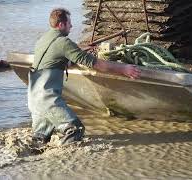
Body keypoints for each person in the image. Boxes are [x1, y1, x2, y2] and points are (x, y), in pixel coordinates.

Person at [28, 8, 141, 145]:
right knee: (76, 129)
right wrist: (124, 68)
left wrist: (69, 59)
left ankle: (37, 160)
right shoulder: (64, 42)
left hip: (33, 100)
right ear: (61, 25)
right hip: (47, 100)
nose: (71, 26)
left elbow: (51, 61)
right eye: (69, 23)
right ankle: (66, 160)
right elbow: (96, 64)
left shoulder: (42, 40)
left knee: (39, 140)